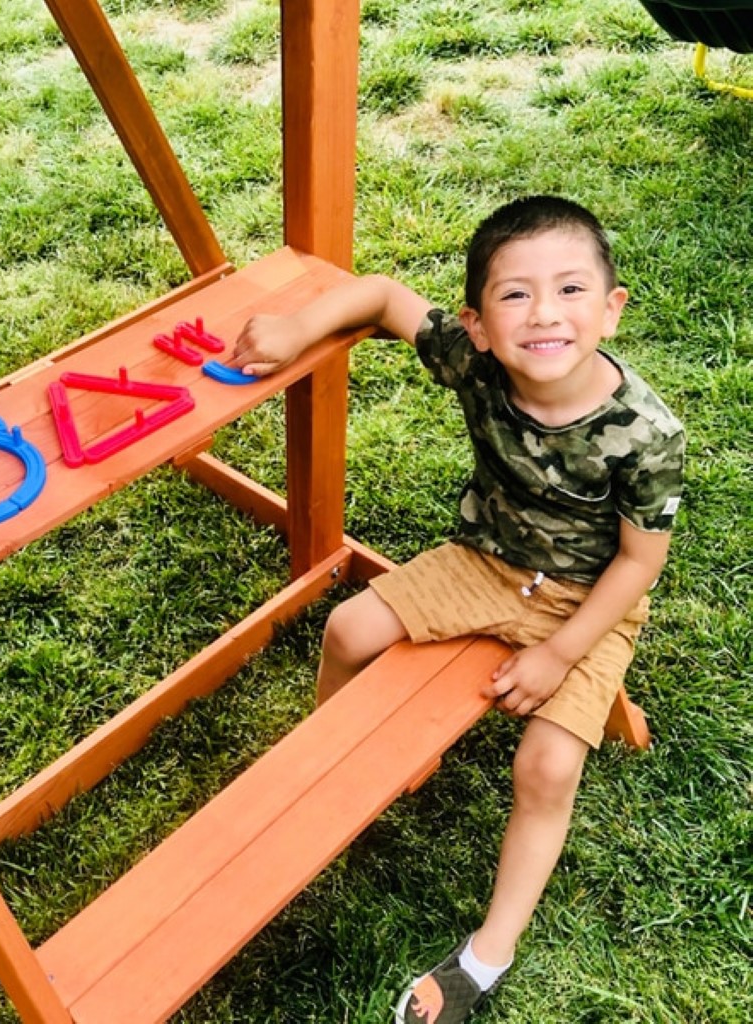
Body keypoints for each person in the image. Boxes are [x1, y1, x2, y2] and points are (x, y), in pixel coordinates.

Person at [231, 196, 684, 1024]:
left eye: (572, 290)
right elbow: (380, 295)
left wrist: (557, 654)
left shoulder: (647, 432)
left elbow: (639, 564)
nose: (544, 313)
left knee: (545, 769)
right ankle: (346, 763)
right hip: (484, 563)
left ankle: (490, 951)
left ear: (612, 308)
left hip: (592, 602)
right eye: (515, 295)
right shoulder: (474, 362)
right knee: (348, 628)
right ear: (477, 325)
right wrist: (297, 331)